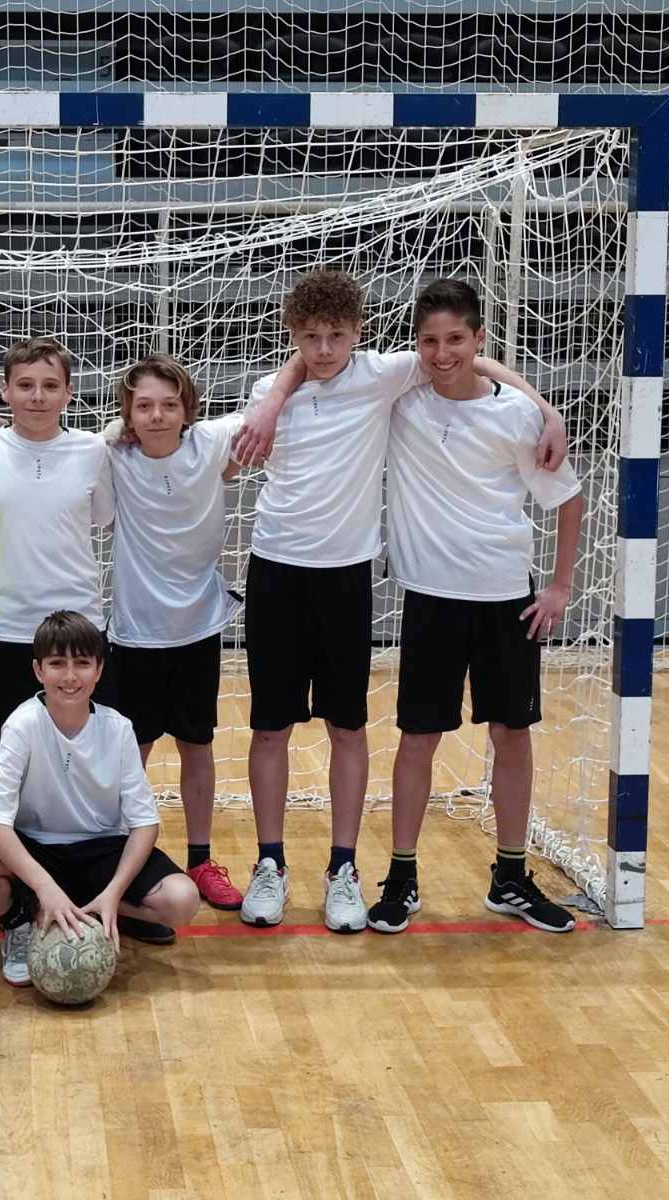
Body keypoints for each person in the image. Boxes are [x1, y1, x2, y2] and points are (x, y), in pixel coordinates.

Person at [233, 268, 569, 933]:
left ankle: (344, 869)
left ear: (358, 334)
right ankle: (270, 864)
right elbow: (292, 377)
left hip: (347, 578)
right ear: (292, 336)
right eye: (309, 337)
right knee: (269, 728)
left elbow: (466, 356)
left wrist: (545, 406)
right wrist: (271, 401)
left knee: (348, 727)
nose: (323, 349)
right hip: (274, 570)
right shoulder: (267, 392)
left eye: (336, 336)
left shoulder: (384, 376)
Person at [367, 278, 584, 935]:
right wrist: (547, 402)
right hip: (431, 598)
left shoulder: (515, 417)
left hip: (506, 599)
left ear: (479, 338)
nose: (442, 353)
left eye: (456, 339)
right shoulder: (402, 402)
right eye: (429, 341)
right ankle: (402, 876)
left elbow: (568, 499)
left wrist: (560, 586)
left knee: (511, 735)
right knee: (418, 738)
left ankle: (511, 875)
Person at [0, 611, 201, 987]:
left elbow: (145, 824)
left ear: (99, 670)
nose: (69, 676)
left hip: (101, 851)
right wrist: (43, 887)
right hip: (37, 850)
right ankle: (21, 921)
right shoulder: (22, 724)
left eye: (82, 663)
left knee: (182, 900)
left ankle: (97, 910)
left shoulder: (118, 729)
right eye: (56, 663)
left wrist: (114, 892)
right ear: (38, 670)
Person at [104, 354, 250, 912]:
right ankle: (120, 859)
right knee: (131, 753)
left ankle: (201, 859)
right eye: (143, 406)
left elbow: (269, 409)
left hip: (197, 629)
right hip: (136, 635)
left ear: (188, 409)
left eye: (169, 404)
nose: (157, 415)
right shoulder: (112, 454)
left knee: (197, 746)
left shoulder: (211, 443)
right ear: (128, 413)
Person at [0, 338, 116, 747]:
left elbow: (104, 518)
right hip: (8, 625)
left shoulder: (92, 449)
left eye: (50, 386)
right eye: (25, 385)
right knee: (10, 749)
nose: (37, 396)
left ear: (68, 393)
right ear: (5, 391)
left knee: (84, 747)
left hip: (80, 623)